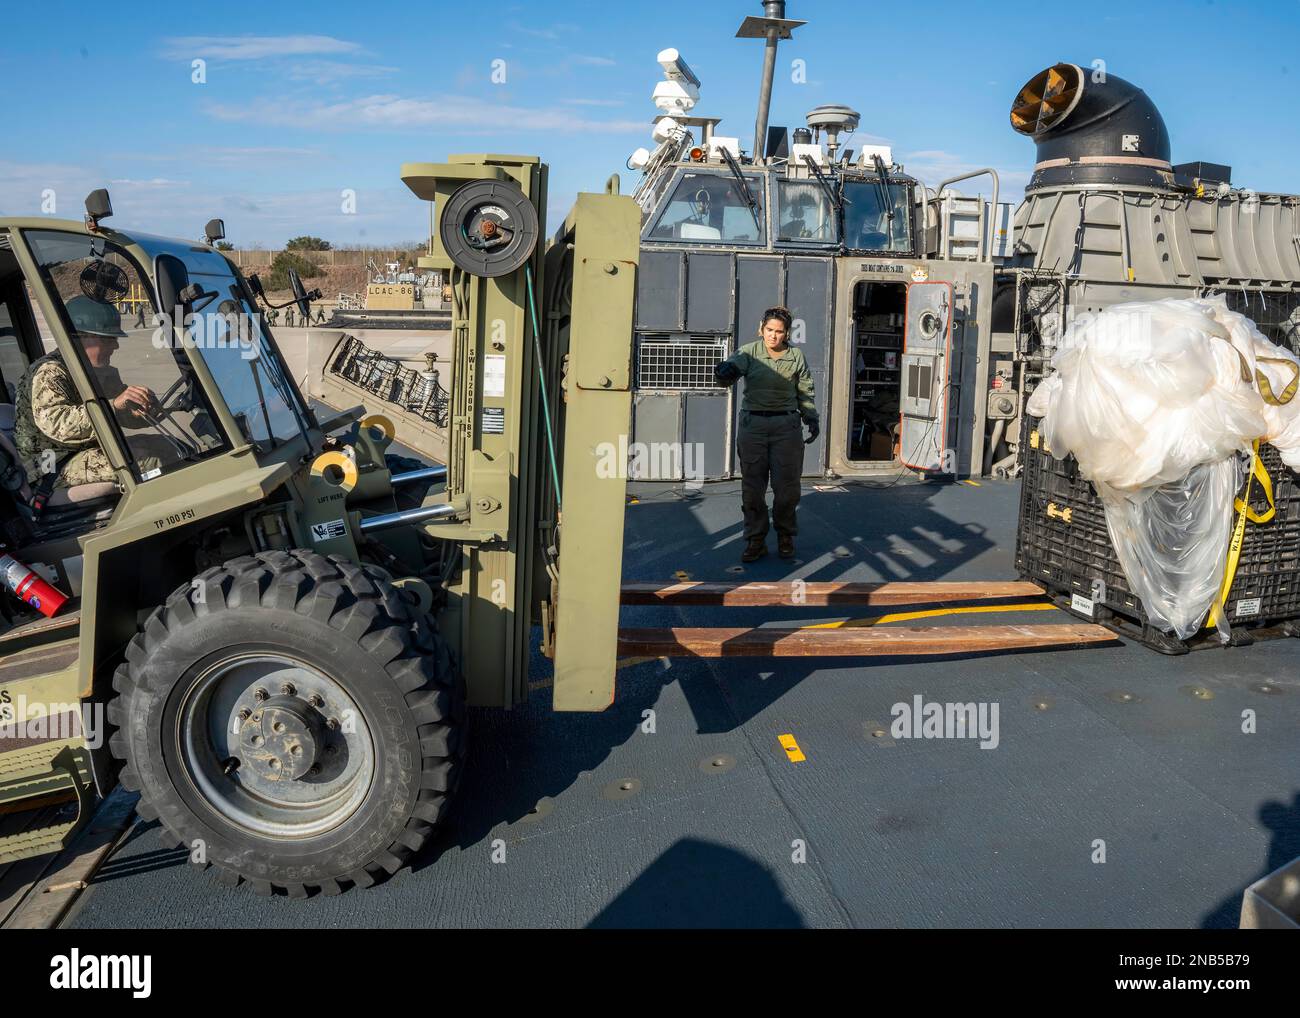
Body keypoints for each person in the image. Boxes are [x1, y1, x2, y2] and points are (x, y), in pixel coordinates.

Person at [14, 296, 162, 490]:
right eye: (108, 339)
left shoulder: (98, 371)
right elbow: (57, 424)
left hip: (84, 451)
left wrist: (144, 412)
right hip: (50, 464)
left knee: (167, 447)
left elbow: (119, 413)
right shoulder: (50, 371)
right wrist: (114, 406)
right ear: (80, 338)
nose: (115, 346)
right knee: (151, 463)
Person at [714, 306, 819, 561]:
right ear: (761, 329)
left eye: (779, 331)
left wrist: (811, 418)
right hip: (754, 427)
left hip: (786, 427)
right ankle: (755, 540)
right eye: (769, 330)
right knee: (752, 489)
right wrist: (724, 373)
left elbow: (805, 391)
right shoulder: (748, 352)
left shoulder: (796, 357)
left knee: (787, 489)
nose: (773, 336)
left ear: (786, 334)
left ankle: (785, 536)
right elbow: (729, 374)